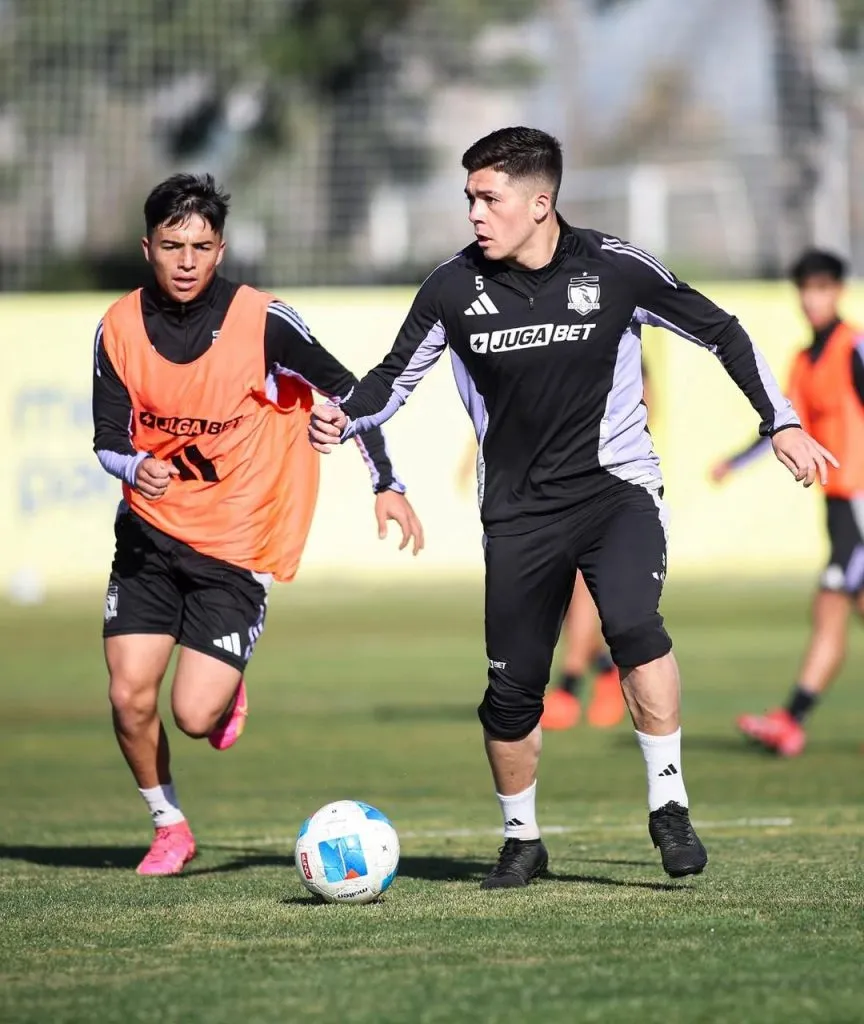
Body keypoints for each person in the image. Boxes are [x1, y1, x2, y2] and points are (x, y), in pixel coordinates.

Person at [308, 127, 834, 888]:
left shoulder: (616, 269)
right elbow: (388, 379)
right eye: (469, 200)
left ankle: (669, 803)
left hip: (614, 491)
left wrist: (779, 420)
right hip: (518, 514)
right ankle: (522, 840)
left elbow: (722, 330)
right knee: (512, 691)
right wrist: (344, 415)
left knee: (631, 624)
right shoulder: (452, 288)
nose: (475, 215)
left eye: (489, 199)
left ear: (540, 202)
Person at [92, 173, 424, 876]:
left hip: (235, 548)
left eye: (202, 246)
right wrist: (132, 469)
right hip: (148, 536)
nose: (187, 261)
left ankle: (225, 686)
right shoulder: (117, 327)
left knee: (191, 715)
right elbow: (106, 439)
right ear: (146, 245)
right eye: (173, 245)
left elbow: (348, 392)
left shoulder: (262, 319)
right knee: (127, 696)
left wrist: (386, 482)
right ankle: (170, 824)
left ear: (221, 248)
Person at [711, 249, 862, 757]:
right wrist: (735, 462)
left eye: (821, 288)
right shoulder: (805, 358)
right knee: (843, 607)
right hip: (840, 507)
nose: (812, 299)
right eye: (805, 289)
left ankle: (791, 720)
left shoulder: (853, 347)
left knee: (830, 604)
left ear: (838, 292)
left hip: (861, 505)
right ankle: (791, 719)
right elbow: (785, 423)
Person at [542, 362, 652, 731]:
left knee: (578, 583)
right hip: (550, 477)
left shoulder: (617, 334)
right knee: (552, 602)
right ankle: (606, 670)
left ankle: (569, 687)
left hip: (603, 481)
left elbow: (644, 399)